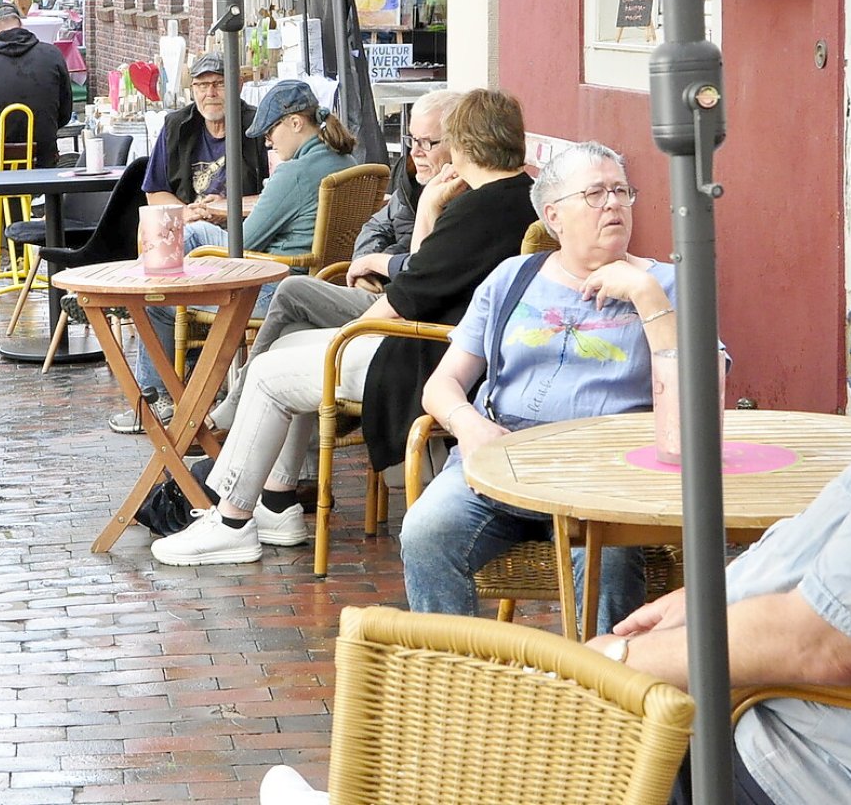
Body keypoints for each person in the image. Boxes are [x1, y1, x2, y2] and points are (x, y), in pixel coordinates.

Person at [149, 89, 536, 568]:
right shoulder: (523, 199)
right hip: (448, 350)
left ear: (462, 144)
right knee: (288, 344)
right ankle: (275, 502)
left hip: (420, 358)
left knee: (271, 371)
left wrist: (342, 338)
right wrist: (432, 208)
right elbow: (424, 277)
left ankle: (230, 520)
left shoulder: (479, 211)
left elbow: (400, 302)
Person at [403, 141, 686, 633]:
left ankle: (603, 691)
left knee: (610, 563)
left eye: (621, 190)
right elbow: (443, 382)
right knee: (426, 532)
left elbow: (699, 392)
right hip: (503, 461)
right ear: (554, 215)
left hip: (606, 473)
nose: (614, 203)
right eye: (595, 193)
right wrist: (467, 425)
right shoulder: (513, 278)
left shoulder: (667, 284)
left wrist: (645, 297)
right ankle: (452, 682)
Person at [582, 427, 851, 805]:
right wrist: (712, 597)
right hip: (772, 708)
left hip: (798, 757)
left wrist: (616, 661)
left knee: (560, 735)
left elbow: (822, 646)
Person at [205, 89, 465, 434]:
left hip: (398, 313)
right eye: (411, 139)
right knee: (292, 330)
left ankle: (187, 397)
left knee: (273, 284)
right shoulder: (373, 167)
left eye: (426, 143)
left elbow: (242, 243)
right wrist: (363, 264)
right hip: (365, 286)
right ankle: (290, 476)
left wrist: (378, 263)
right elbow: (376, 225)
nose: (415, 151)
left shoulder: (458, 196)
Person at [108, 81, 357, 434]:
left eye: (271, 131)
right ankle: (186, 368)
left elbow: (244, 242)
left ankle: (155, 399)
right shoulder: (343, 159)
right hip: (318, 280)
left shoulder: (295, 172)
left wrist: (212, 217)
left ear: (296, 123)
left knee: (159, 298)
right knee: (189, 239)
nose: (269, 141)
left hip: (271, 288)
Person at [0, 2, 74, 246]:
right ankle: (16, 252)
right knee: (19, 168)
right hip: (44, 153)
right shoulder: (52, 54)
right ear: (20, 23)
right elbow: (65, 111)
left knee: (5, 168)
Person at [141, 51, 269, 221]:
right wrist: (188, 213)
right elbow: (155, 191)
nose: (210, 93)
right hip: (189, 224)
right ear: (193, 89)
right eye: (202, 85)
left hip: (243, 231)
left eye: (220, 84)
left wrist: (226, 208)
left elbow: (278, 197)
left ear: (239, 85)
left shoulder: (260, 126)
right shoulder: (176, 126)